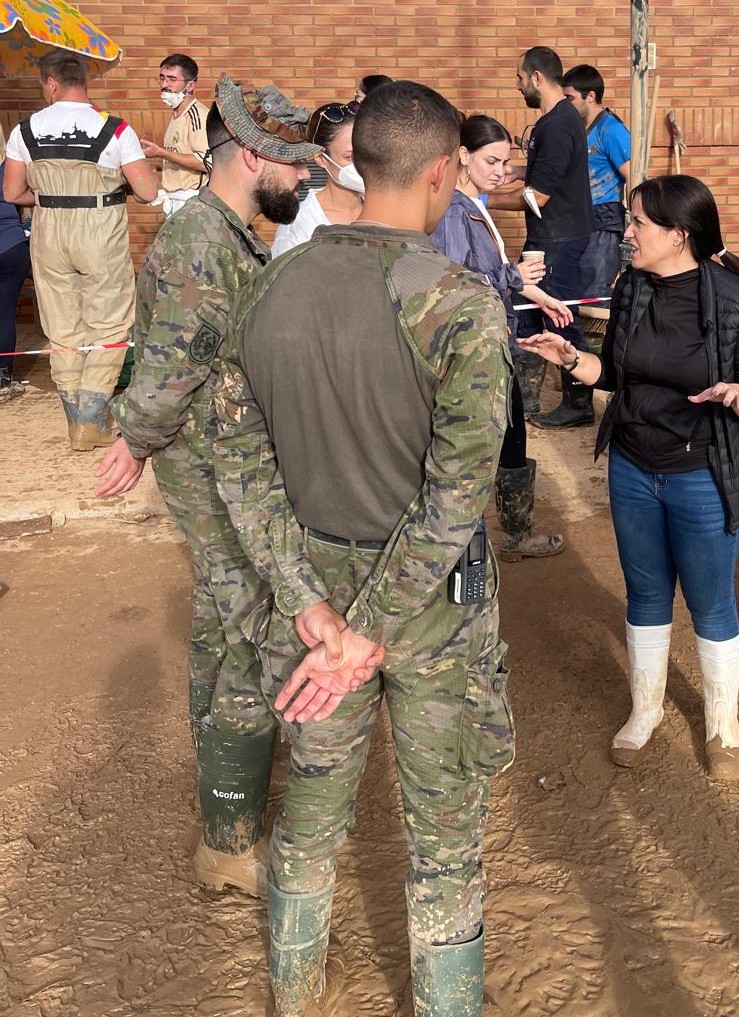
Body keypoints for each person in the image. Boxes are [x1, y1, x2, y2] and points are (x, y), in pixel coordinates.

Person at [214, 80, 513, 1017]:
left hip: (308, 606)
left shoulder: (273, 285)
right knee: (445, 822)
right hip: (428, 612)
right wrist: (366, 630)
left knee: (311, 800)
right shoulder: (459, 304)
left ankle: (293, 991)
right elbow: (456, 496)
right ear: (438, 174)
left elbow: (239, 461)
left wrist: (311, 607)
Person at [97, 77, 318, 897]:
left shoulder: (226, 233)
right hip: (216, 474)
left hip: (226, 467)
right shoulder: (203, 242)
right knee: (256, 634)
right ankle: (228, 838)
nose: (304, 181)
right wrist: (134, 441)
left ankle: (226, 793)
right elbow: (169, 368)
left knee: (223, 627)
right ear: (253, 157)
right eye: (294, 167)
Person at [518, 175, 739, 780]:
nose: (626, 233)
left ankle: (723, 726)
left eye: (638, 224)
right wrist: (573, 362)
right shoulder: (632, 286)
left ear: (679, 235)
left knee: (711, 603)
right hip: (634, 468)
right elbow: (613, 372)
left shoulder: (735, 300)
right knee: (645, 594)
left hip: (702, 472)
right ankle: (645, 711)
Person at [3, 50, 157, 451]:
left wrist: (53, 197)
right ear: (82, 82)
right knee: (109, 325)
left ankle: (75, 423)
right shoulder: (116, 129)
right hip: (100, 230)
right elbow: (148, 191)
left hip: (49, 230)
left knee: (62, 327)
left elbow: (12, 192)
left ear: (50, 83)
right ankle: (94, 419)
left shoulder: (24, 130)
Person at [431, 113, 568, 561]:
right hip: (474, 352)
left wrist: (539, 296)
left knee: (510, 433)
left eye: (506, 163)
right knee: (486, 443)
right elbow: (456, 285)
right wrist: (513, 275)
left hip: (491, 343)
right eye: (492, 161)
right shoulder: (454, 211)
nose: (501, 172)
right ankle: (477, 539)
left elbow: (495, 277)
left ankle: (510, 532)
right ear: (463, 157)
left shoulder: (474, 206)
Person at [488, 46, 593, 428]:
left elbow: (539, 196)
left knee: (561, 315)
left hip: (559, 239)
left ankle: (579, 402)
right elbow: (548, 171)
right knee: (528, 310)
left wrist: (483, 199)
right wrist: (515, 171)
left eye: (519, 77)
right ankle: (525, 399)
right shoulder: (557, 121)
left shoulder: (558, 124)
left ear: (536, 78)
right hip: (551, 234)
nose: (517, 86)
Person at [562, 64, 631, 298]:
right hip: (580, 220)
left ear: (590, 96)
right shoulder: (579, 129)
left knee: (595, 294)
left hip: (604, 222)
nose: (565, 104)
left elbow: (635, 177)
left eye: (569, 98)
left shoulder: (611, 130)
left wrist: (636, 223)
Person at [272, 102, 362, 255]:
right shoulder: (299, 224)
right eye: (349, 157)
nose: (362, 163)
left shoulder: (385, 208)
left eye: (364, 152)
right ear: (321, 158)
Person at [141, 54, 209, 216]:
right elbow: (179, 156)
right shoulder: (176, 115)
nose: (165, 85)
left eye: (172, 79)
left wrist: (162, 153)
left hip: (192, 203)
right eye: (162, 78)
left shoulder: (197, 115)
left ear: (190, 85)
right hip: (175, 202)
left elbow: (205, 162)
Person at [0, 131, 31, 396]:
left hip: (10, 244)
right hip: (10, 246)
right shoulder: (8, 165)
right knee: (5, 312)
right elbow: (30, 195)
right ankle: (2, 378)